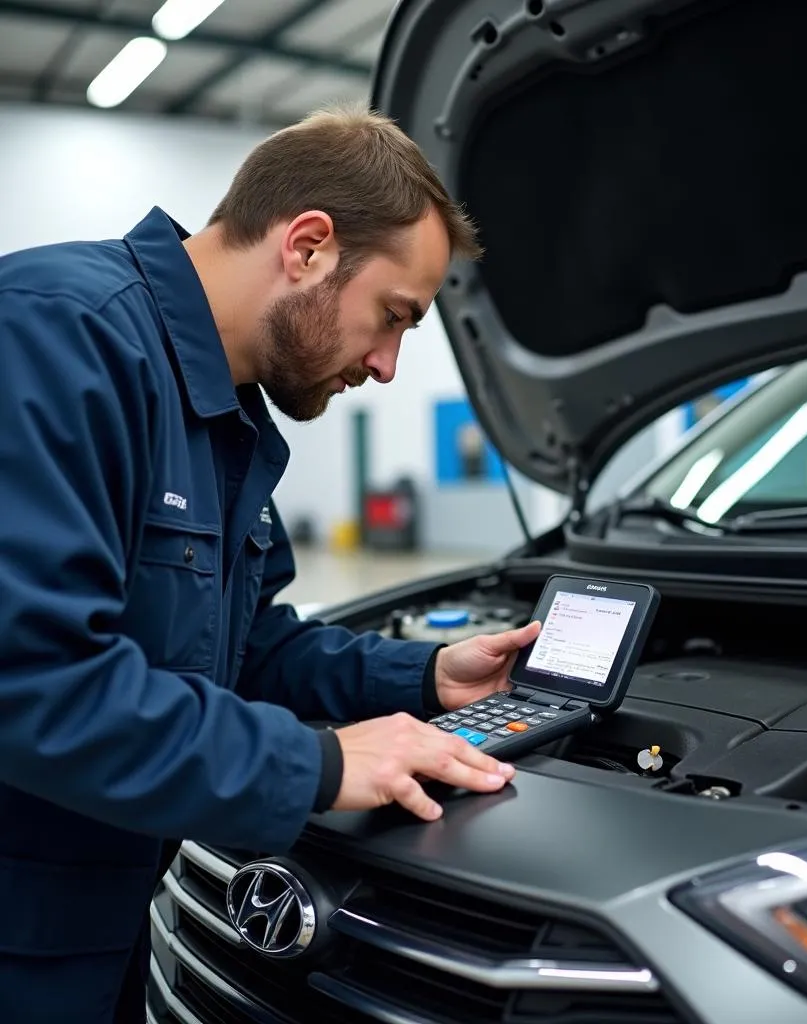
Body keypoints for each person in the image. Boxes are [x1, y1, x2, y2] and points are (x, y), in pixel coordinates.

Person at [0, 105, 541, 1023]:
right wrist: (316, 767)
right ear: (308, 247)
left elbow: (246, 649)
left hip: (110, 925)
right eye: (393, 317)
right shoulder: (57, 337)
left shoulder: (231, 419)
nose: (386, 365)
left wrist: (423, 674)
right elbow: (30, 677)